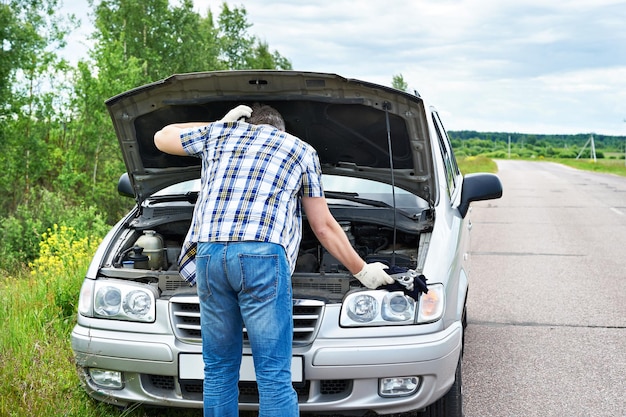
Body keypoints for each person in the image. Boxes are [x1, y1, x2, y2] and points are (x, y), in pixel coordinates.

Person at [154, 103, 393, 417]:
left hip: (208, 253)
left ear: (249, 124)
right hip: (261, 256)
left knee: (218, 369)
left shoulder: (220, 135)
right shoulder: (300, 149)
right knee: (273, 374)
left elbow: (162, 136)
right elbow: (323, 225)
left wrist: (220, 123)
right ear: (281, 129)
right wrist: (362, 270)